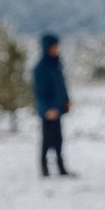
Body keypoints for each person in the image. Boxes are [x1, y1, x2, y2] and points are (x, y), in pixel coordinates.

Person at [31, 29, 73, 175]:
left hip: (58, 108)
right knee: (47, 140)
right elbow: (39, 92)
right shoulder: (40, 68)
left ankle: (61, 167)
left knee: (59, 140)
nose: (57, 49)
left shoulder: (56, 65)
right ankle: (44, 168)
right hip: (48, 111)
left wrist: (66, 101)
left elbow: (62, 86)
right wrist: (47, 109)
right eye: (54, 46)